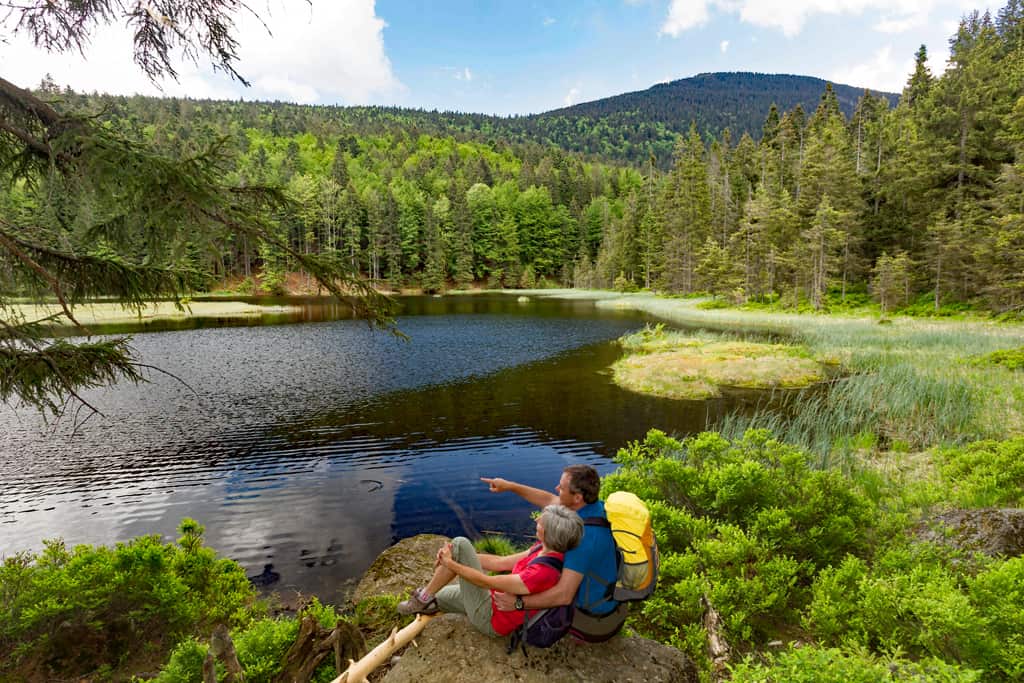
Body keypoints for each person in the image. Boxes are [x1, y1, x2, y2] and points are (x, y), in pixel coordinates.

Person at [481, 465, 627, 641]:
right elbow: (549, 499)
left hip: (593, 619)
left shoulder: (582, 539)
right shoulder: (591, 508)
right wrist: (509, 486)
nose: (556, 489)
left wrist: (519, 604)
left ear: (577, 497)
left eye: (561, 487)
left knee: (535, 584)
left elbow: (564, 595)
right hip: (608, 601)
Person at [397, 504, 584, 638]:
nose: (536, 520)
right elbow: (500, 562)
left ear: (550, 534)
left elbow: (486, 582)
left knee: (461, 543)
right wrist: (457, 558)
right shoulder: (541, 548)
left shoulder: (541, 572)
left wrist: (453, 563)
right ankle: (427, 600)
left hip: (490, 619)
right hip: (491, 599)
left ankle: (422, 599)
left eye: (541, 523)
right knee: (440, 597)